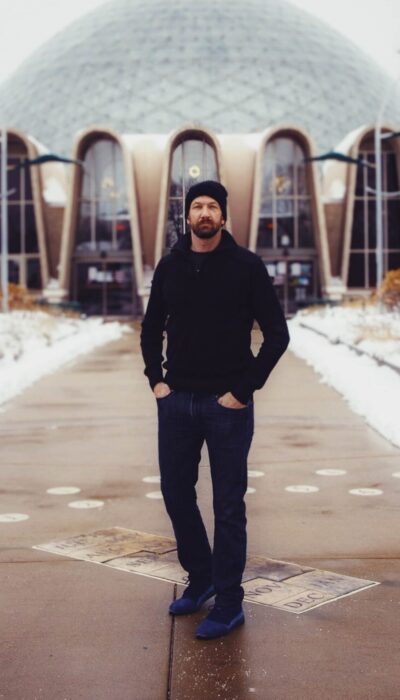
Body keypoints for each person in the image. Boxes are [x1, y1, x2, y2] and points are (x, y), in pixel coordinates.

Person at [140, 180, 289, 640]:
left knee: (228, 506)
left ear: (224, 216)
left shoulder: (246, 267)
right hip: (177, 400)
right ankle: (200, 577)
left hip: (228, 404)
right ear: (187, 216)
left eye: (212, 207)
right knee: (175, 494)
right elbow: (150, 329)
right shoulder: (170, 266)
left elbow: (277, 335)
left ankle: (228, 602)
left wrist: (244, 389)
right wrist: (157, 380)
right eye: (197, 206)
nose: (204, 213)